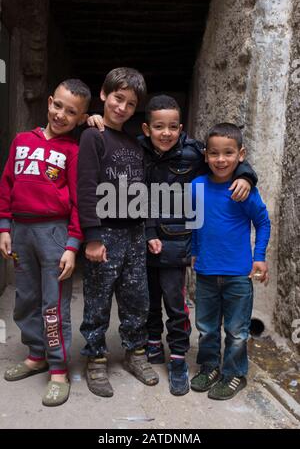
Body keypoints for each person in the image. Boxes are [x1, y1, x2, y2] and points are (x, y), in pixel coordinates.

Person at [139, 96, 258, 397]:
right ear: (146, 128)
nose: (165, 133)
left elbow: (226, 158)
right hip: (142, 233)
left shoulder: (193, 153)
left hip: (178, 242)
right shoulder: (136, 149)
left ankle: (179, 357)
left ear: (181, 129)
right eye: (158, 127)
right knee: (145, 297)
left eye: (172, 127)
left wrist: (247, 175)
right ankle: (153, 343)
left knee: (175, 300)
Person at [0, 79, 90, 406]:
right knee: (25, 298)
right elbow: (7, 184)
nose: (61, 115)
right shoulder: (22, 140)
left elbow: (81, 201)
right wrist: (4, 226)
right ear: (50, 101)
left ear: (81, 118)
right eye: (58, 106)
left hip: (54, 233)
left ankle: (57, 368)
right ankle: (36, 354)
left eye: (72, 112)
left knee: (53, 303)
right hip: (21, 231)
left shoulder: (73, 152)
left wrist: (72, 245)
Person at [77, 67, 159, 398]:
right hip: (105, 233)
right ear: (103, 95)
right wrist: (92, 237)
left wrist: (148, 229)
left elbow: (143, 191)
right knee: (97, 299)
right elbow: (85, 188)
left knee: (136, 298)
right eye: (117, 98)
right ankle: (95, 358)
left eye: (129, 103)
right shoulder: (91, 136)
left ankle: (135, 353)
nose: (121, 107)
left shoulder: (135, 144)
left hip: (135, 234)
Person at [190, 122, 270, 400]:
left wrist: (259, 258)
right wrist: (194, 251)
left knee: (236, 331)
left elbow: (263, 222)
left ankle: (235, 373)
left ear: (241, 154)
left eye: (227, 153)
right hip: (206, 272)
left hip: (238, 274)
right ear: (206, 155)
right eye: (214, 153)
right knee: (207, 327)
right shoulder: (197, 186)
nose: (220, 160)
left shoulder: (243, 189)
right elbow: (196, 223)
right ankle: (209, 367)